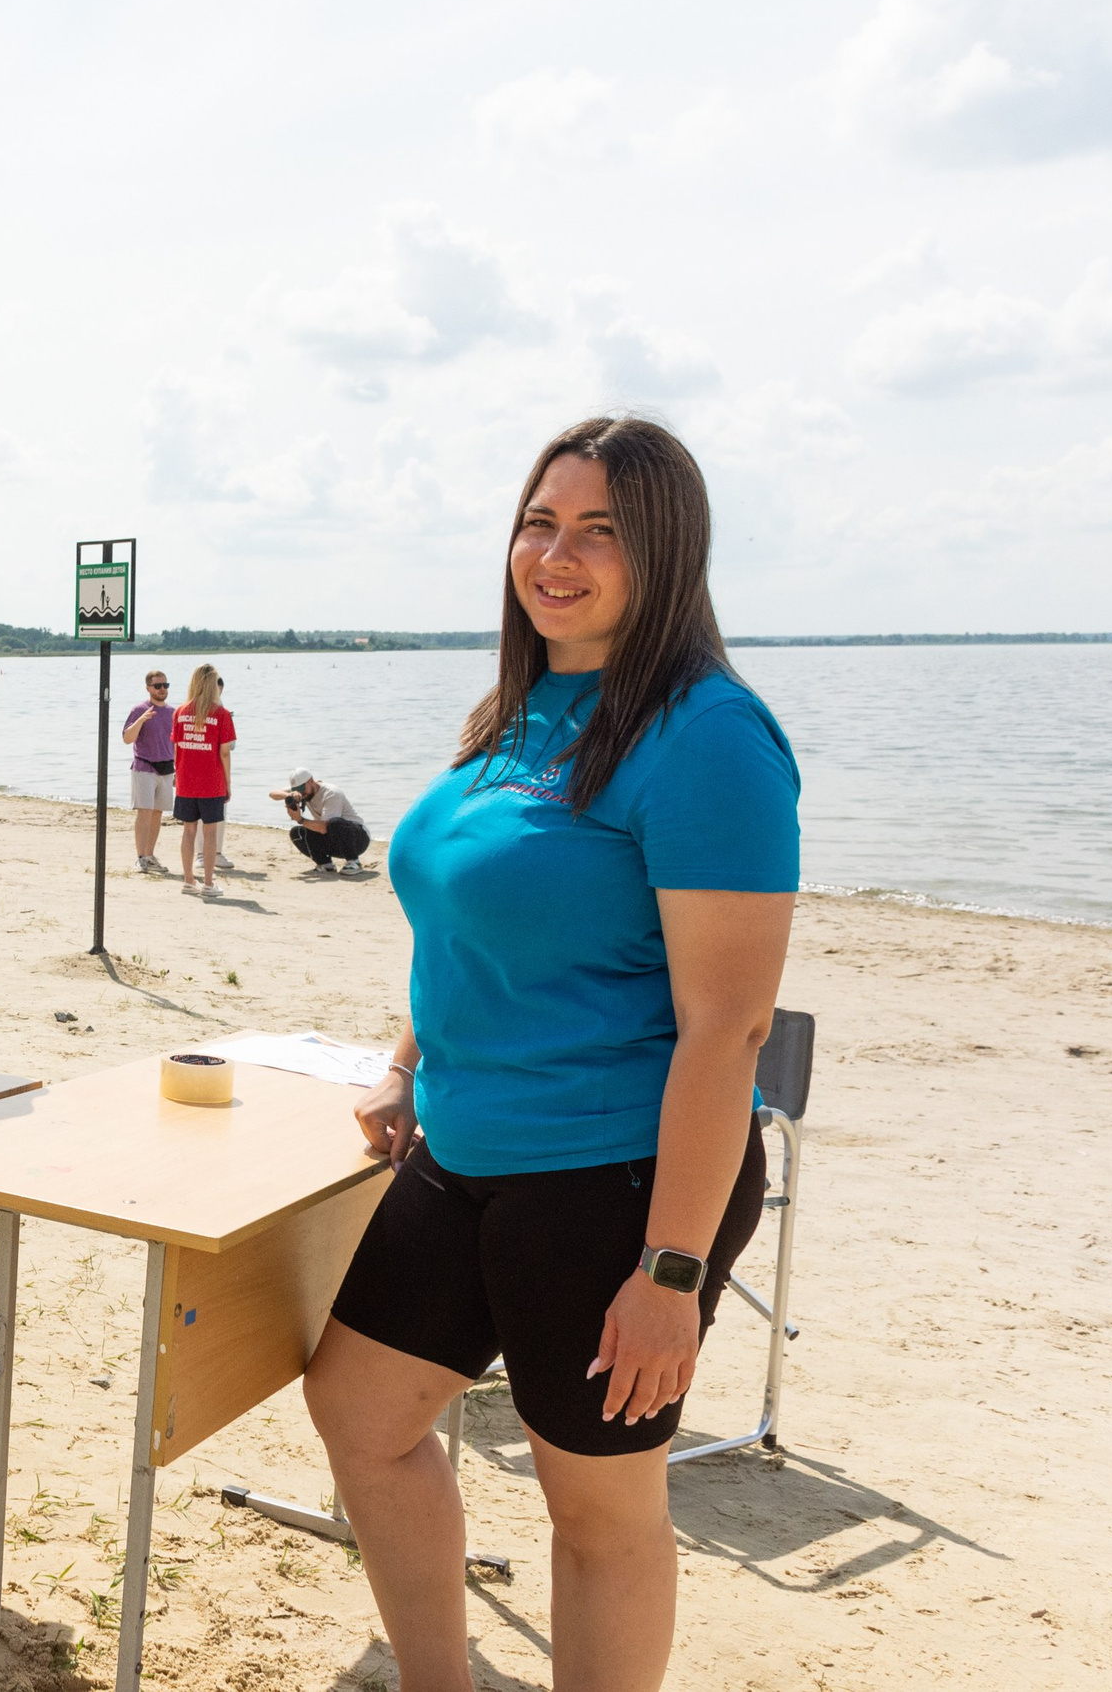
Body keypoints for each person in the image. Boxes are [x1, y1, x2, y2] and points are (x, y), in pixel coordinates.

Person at [302, 417, 798, 1692]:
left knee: (599, 1514)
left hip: (616, 1180)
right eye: (539, 522)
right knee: (359, 1416)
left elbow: (726, 1030)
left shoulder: (708, 737)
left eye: (599, 531)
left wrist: (672, 1272)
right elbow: (466, 913)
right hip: (465, 1146)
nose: (555, 554)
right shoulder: (519, 709)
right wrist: (405, 1062)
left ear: (667, 555)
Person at [171, 663, 234, 897]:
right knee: (210, 832)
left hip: (186, 780)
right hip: (211, 781)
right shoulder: (221, 714)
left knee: (188, 831)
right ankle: (208, 883)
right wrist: (228, 783)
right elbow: (224, 752)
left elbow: (176, 748)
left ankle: (188, 880)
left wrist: (178, 774)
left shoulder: (181, 711)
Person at [121, 669, 175, 872]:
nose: (162, 689)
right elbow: (127, 738)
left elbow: (176, 743)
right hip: (144, 767)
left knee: (157, 813)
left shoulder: (172, 712)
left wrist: (178, 770)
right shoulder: (139, 709)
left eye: (165, 685)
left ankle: (150, 854)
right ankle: (141, 856)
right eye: (158, 686)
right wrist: (142, 719)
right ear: (148, 688)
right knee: (144, 812)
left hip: (166, 768)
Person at [283, 768, 370, 875]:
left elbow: (324, 827)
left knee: (334, 823)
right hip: (334, 839)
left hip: (357, 839)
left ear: (311, 781)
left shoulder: (331, 792)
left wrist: (300, 819)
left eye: (302, 789)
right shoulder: (301, 792)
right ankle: (325, 864)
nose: (301, 793)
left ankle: (354, 862)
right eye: (297, 790)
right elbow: (272, 794)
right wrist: (289, 796)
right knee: (297, 833)